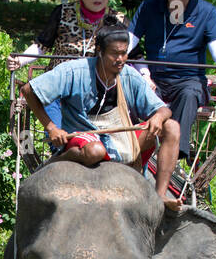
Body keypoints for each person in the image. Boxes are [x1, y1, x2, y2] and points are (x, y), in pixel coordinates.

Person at [19, 20, 182, 208]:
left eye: (124, 53)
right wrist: (52, 128)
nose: (120, 59)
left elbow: (164, 109)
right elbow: (29, 90)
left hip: (120, 138)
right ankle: (57, 160)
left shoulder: (129, 75)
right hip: (84, 135)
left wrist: (158, 117)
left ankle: (159, 196)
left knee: (171, 127)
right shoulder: (74, 71)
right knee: (96, 151)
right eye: (114, 54)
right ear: (100, 51)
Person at [127, 0, 216, 177]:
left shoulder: (206, 11)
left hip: (188, 79)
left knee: (189, 93)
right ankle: (126, 153)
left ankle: (174, 154)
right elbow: (129, 41)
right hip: (153, 78)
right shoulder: (149, 7)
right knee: (127, 89)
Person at [8, 0, 129, 128]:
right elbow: (42, 45)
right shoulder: (63, 12)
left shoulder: (117, 21)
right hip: (57, 88)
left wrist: (146, 76)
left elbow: (129, 55)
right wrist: (20, 60)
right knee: (58, 137)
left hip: (95, 93)